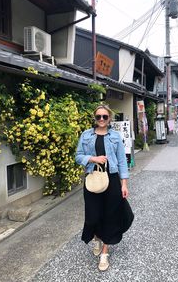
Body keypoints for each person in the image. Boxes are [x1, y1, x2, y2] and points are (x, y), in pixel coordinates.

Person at [75, 104, 134, 271]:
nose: (101, 119)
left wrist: (124, 184)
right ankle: (97, 238)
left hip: (112, 180)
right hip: (93, 179)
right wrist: (93, 159)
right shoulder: (86, 135)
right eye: (98, 116)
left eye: (105, 117)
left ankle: (105, 253)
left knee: (110, 216)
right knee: (92, 216)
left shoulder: (115, 136)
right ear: (95, 118)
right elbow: (78, 156)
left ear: (109, 119)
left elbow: (122, 161)